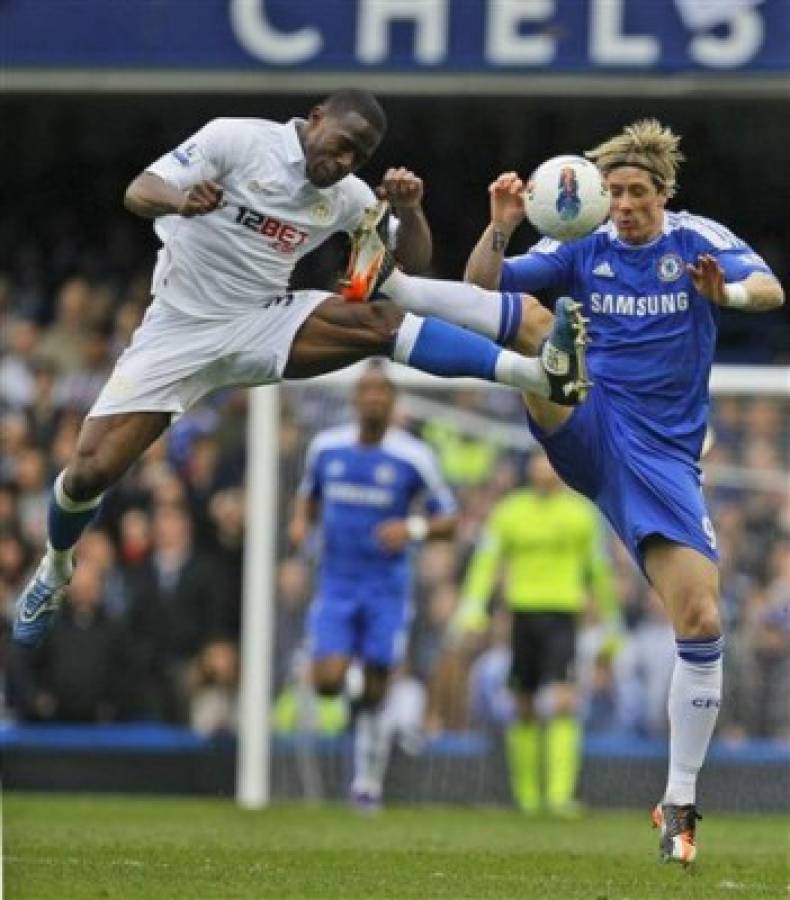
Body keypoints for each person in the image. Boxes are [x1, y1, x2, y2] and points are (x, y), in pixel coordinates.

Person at [13, 89, 587, 649]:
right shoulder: (235, 139)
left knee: (378, 323)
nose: (342, 163)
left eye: (357, 158)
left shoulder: (347, 195)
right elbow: (140, 190)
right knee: (89, 472)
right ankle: (56, 567)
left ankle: (538, 374)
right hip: (178, 332)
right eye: (339, 147)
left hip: (263, 320)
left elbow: (405, 271)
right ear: (315, 118)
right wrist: (179, 200)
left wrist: (407, 211)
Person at [462, 119, 784, 863]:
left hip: (666, 456)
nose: (626, 205)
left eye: (639, 192)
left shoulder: (694, 239)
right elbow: (484, 287)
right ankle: (525, 356)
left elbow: (770, 288)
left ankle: (678, 804)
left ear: (665, 194)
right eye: (616, 193)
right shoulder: (579, 243)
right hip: (594, 420)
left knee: (702, 617)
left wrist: (725, 292)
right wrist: (500, 230)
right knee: (535, 326)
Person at [288, 363, 457, 810]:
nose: (374, 400)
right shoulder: (325, 449)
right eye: (367, 392)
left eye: (382, 393)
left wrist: (413, 529)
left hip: (387, 587)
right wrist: (301, 525)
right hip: (337, 583)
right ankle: (351, 693)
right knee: (327, 680)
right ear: (354, 399)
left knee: (379, 686)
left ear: (394, 402)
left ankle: (366, 781)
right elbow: (308, 497)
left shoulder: (413, 456)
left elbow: (450, 519)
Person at [455, 450, 616, 817]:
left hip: (563, 613)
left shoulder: (581, 515)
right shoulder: (509, 511)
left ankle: (559, 796)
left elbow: (599, 571)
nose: (544, 468)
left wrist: (610, 621)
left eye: (550, 461)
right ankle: (527, 797)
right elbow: (486, 562)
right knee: (523, 701)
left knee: (563, 699)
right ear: (529, 468)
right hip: (522, 613)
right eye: (538, 461)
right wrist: (473, 606)